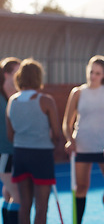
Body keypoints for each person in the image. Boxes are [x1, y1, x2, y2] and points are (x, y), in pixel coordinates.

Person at [63, 55, 104, 224]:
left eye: (98, 73)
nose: (93, 76)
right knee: (81, 187)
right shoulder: (77, 92)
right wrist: (70, 140)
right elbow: (66, 122)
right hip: (83, 146)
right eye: (91, 72)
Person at [5, 59, 62, 224]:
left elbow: (11, 135)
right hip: (41, 156)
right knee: (41, 206)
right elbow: (57, 134)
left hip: (21, 155)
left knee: (24, 205)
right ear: (38, 77)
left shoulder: (12, 101)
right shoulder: (46, 101)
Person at [0, 57, 21, 224]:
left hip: (17, 152)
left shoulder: (18, 97)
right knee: (18, 196)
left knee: (8, 193)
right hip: (4, 153)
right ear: (7, 74)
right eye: (17, 72)